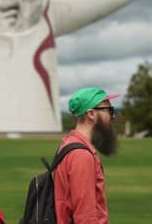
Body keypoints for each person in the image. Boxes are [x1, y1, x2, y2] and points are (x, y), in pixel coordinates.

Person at [54, 87, 120, 224]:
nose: (113, 116)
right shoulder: (81, 155)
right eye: (109, 110)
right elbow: (85, 217)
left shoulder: (68, 143)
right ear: (91, 114)